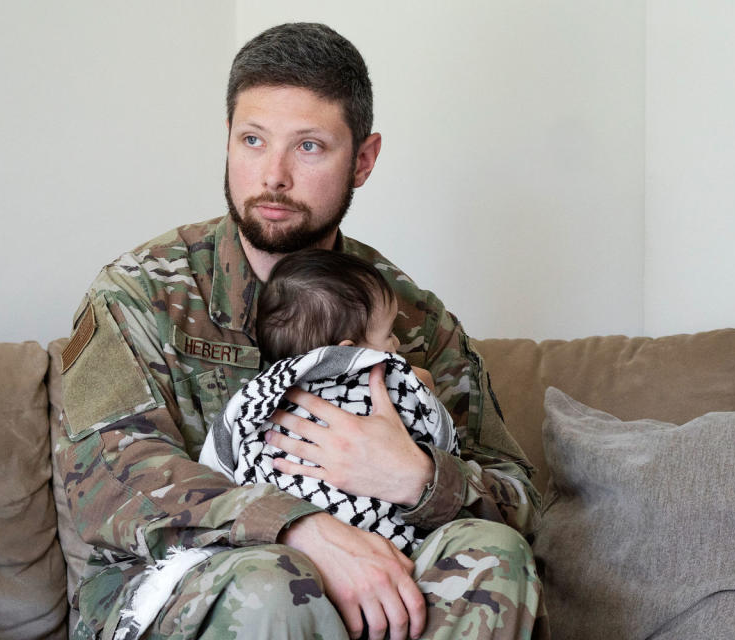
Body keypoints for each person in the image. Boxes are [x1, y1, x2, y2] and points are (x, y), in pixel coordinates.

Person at [59, 22, 546, 640]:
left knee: (493, 554)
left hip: (385, 571)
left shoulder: (411, 317)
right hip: (183, 585)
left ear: (363, 160)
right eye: (253, 140)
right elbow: (108, 480)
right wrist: (301, 528)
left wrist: (417, 478)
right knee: (272, 585)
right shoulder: (139, 292)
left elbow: (519, 498)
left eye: (309, 146)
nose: (273, 176)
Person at [199, 248, 461, 557]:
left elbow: (216, 462)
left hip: (280, 550)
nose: (397, 344)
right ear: (348, 350)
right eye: (389, 334)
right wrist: (423, 389)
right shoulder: (399, 381)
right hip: (388, 543)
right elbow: (446, 445)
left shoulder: (257, 394)